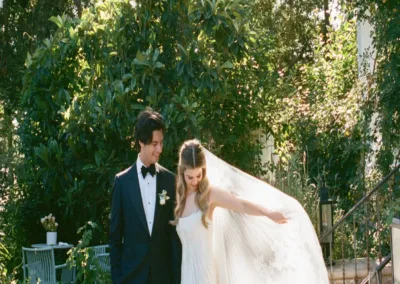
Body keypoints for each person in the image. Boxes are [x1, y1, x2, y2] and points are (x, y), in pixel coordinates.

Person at [173, 139, 329, 284]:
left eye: (198, 175)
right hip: (187, 275)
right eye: (190, 177)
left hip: (204, 275)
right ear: (182, 172)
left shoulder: (209, 195)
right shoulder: (181, 198)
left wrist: (269, 213)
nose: (195, 181)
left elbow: (240, 203)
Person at [109, 108, 181, 284]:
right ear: (141, 142)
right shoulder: (122, 182)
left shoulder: (170, 180)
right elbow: (115, 237)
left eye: (161, 143)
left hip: (163, 277)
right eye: (154, 144)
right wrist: (118, 279)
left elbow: (174, 236)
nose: (160, 149)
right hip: (131, 277)